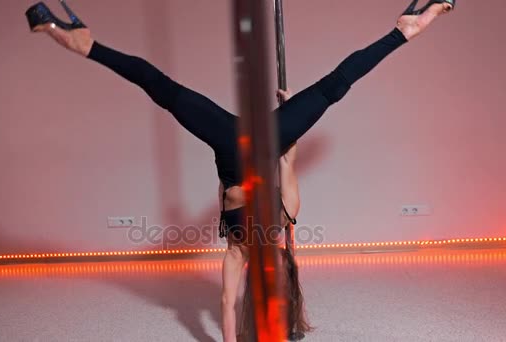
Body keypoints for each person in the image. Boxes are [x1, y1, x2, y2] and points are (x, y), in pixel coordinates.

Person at [24, 0, 455, 340]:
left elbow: (287, 158)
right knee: (171, 89)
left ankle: (86, 45)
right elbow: (229, 301)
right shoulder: (252, 241)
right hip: (251, 143)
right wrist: (289, 119)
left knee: (329, 86)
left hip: (255, 141)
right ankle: (406, 30)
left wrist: (290, 118)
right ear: (282, 266)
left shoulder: (284, 218)